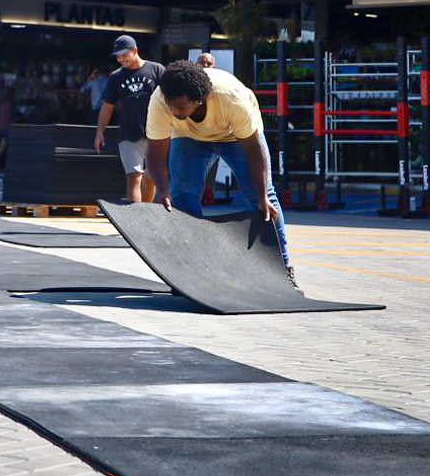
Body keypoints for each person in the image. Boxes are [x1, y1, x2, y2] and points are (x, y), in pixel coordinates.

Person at [144, 59, 297, 289]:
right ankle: (189, 273)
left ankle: (283, 269)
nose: (175, 112)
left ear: (199, 99)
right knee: (182, 196)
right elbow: (155, 152)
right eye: (171, 107)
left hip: (235, 136)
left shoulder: (231, 97)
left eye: (181, 108)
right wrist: (163, 189)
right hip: (189, 138)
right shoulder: (160, 99)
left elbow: (254, 150)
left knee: (262, 198)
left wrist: (263, 195)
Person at [94, 35, 165, 203]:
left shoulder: (157, 70)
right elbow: (108, 105)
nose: (121, 59)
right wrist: (99, 132)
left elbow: (170, 98)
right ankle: (135, 220)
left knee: (151, 176)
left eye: (124, 55)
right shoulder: (116, 77)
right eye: (117, 56)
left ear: (135, 51)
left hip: (155, 132)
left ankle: (147, 214)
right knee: (133, 176)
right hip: (128, 132)